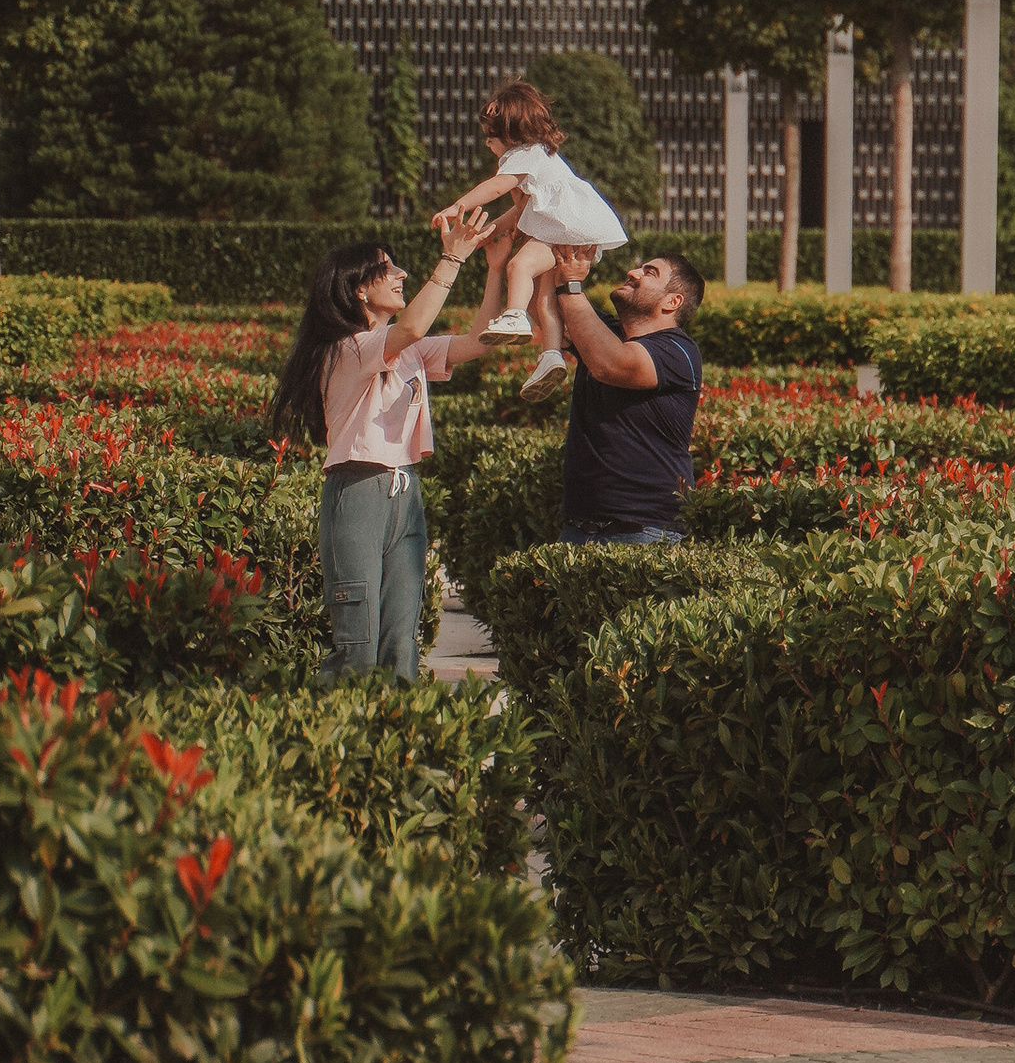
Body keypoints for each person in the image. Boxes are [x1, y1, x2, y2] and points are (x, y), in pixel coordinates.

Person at [269, 211, 518, 679]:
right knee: (358, 644)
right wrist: (451, 258)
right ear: (360, 288)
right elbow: (412, 328)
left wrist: (495, 268)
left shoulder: (405, 350)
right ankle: (331, 735)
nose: (401, 274)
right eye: (389, 268)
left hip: (404, 494)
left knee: (400, 642)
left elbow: (481, 342)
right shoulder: (348, 347)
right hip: (358, 487)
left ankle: (395, 742)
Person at [441, 81, 629, 399]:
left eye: (491, 138)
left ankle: (515, 316)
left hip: (567, 227)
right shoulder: (537, 158)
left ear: (511, 135)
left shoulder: (523, 154)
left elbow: (496, 187)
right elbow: (519, 210)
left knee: (519, 266)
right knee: (545, 298)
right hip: (576, 229)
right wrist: (489, 232)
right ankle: (550, 355)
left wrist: (457, 206)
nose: (488, 145)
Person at [541, 243, 707, 546]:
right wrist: (537, 249)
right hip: (578, 529)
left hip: (645, 530)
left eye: (649, 272)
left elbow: (611, 364)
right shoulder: (608, 332)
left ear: (672, 301)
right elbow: (541, 311)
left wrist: (572, 284)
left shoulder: (679, 352)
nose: (632, 273)